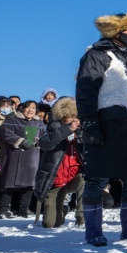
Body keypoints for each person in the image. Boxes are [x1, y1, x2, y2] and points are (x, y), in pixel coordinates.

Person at [76, 11, 127, 246]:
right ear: (115, 31)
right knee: (97, 179)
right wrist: (89, 123)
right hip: (105, 119)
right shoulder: (96, 55)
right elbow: (86, 91)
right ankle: (93, 232)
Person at [35, 97, 85, 228]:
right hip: (55, 180)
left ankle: (82, 218)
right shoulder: (53, 129)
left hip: (74, 177)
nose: (73, 119)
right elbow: (45, 143)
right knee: (49, 224)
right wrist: (68, 129)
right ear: (61, 116)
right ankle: (62, 211)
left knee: (85, 180)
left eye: (75, 116)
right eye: (70, 116)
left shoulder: (80, 131)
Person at [0, 100, 44, 217]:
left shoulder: (39, 123)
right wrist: (21, 141)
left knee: (29, 183)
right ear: (22, 108)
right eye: (28, 107)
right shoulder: (12, 119)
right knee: (9, 181)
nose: (30, 110)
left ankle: (24, 209)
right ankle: (4, 208)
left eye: (33, 108)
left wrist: (37, 141)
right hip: (14, 155)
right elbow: (6, 133)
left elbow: (45, 136)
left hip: (32, 156)